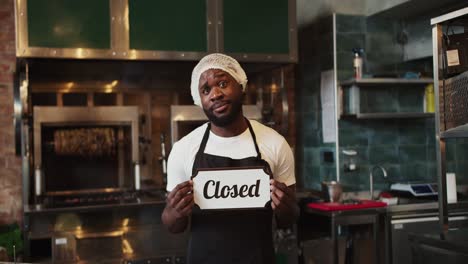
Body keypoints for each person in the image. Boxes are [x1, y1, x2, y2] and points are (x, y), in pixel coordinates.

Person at [162, 53, 298, 264]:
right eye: (206, 90)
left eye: (223, 83)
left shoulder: (274, 144)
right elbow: (173, 226)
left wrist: (285, 206)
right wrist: (175, 211)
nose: (215, 94)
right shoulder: (184, 149)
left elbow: (288, 219)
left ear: (241, 85)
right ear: (201, 101)